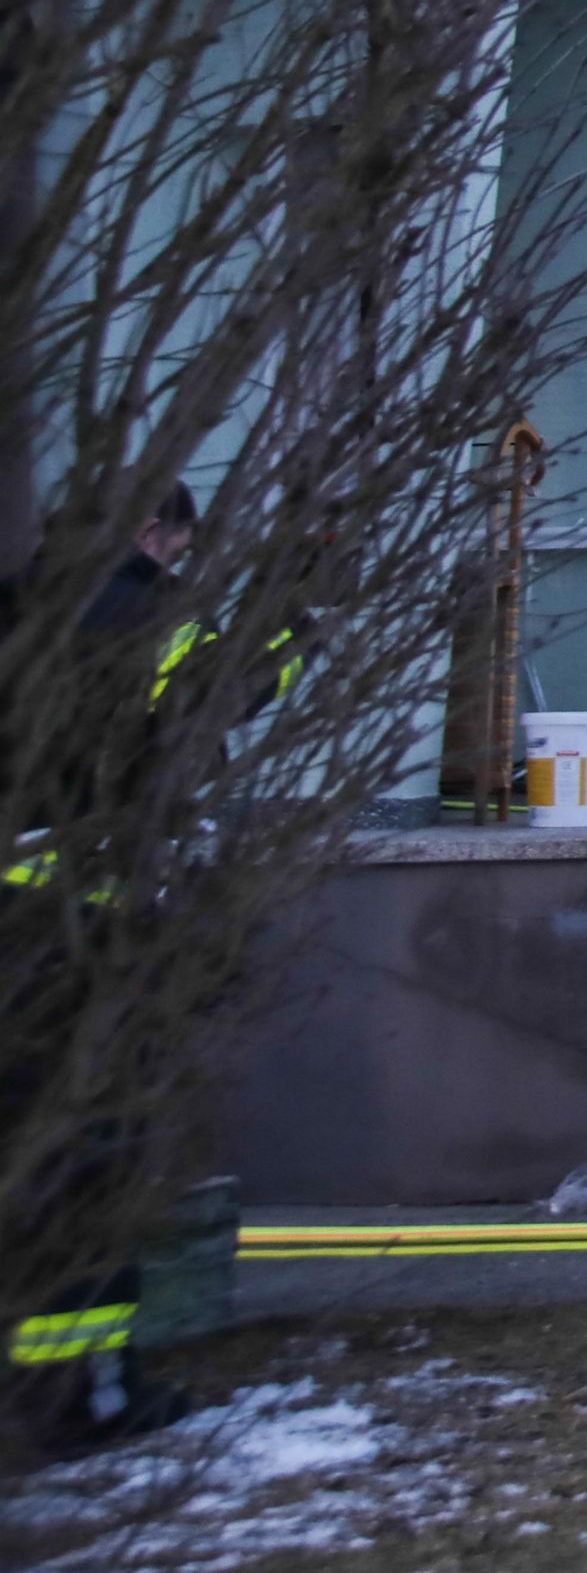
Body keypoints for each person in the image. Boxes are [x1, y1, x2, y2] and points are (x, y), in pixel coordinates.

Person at [4, 488, 204, 1445]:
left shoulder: (20, 607)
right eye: (178, 548)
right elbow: (219, 699)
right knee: (84, 1156)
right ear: (149, 531)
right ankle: (82, 1394)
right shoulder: (139, 610)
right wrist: (303, 613)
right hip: (74, 930)